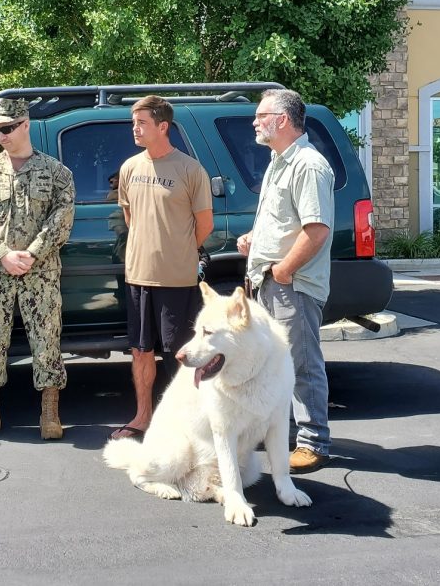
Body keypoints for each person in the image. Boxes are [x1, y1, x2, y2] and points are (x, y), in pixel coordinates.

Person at [0, 98, 75, 441]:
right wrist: (3, 254)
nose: (1, 135)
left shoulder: (56, 173)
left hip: (40, 272)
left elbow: (62, 219)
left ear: (25, 124)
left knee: (47, 340)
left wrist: (32, 253)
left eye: (8, 128)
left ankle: (50, 412)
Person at [237, 88, 335, 474]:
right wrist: (254, 239)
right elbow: (284, 222)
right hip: (271, 282)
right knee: (275, 364)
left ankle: (313, 443)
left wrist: (284, 269)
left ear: (281, 120)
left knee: (301, 363)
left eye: (261, 116)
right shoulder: (279, 162)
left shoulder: (308, 165)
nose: (254, 122)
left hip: (291, 285)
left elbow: (316, 229)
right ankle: (285, 436)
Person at [110, 95, 213, 441]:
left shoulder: (190, 170)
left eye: (142, 123)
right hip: (138, 276)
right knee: (141, 350)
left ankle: (187, 424)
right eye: (134, 123)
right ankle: (142, 417)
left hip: (177, 279)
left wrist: (177, 252)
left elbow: (205, 225)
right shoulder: (129, 168)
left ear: (163, 126)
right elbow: (130, 217)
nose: (135, 129)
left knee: (178, 353)